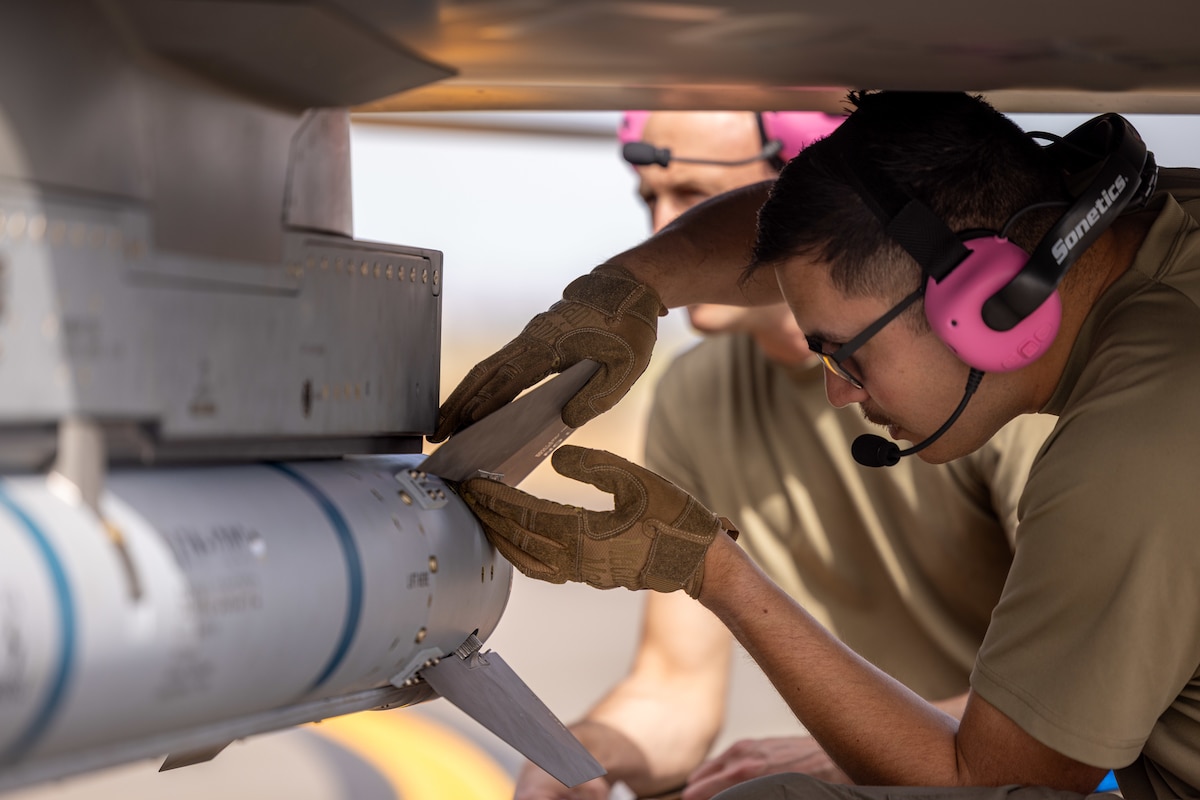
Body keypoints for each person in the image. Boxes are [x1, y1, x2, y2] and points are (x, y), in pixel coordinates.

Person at [436, 90, 1200, 798]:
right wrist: (630, 284)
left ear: (988, 301)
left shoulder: (1130, 443)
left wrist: (715, 571)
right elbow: (860, 225)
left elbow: (995, 783)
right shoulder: (1150, 229)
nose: (838, 391)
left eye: (846, 354)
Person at [508, 110, 1057, 800]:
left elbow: (1073, 721)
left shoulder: (982, 388)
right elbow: (675, 690)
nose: (663, 236)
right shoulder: (697, 394)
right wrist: (579, 757)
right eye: (650, 199)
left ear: (800, 200)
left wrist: (850, 748)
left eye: (698, 200)